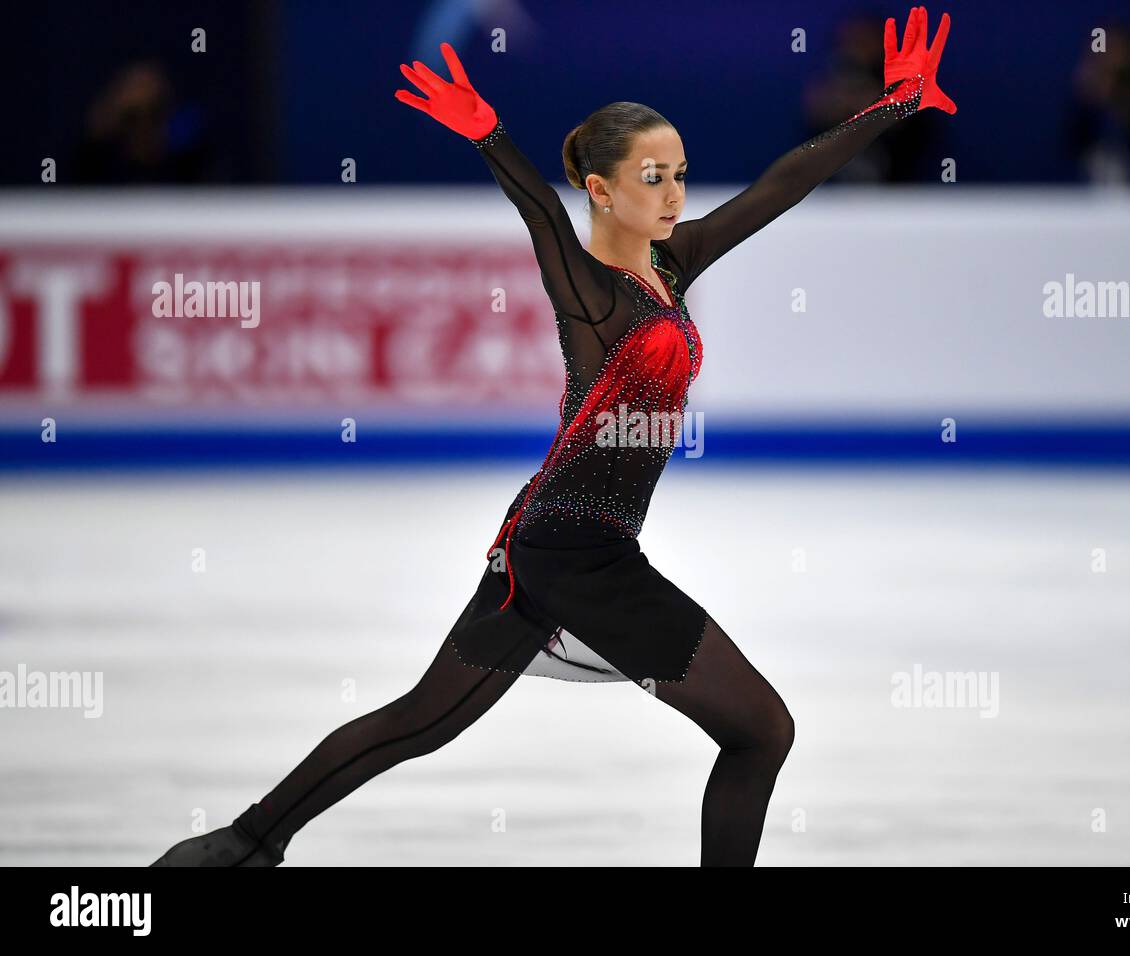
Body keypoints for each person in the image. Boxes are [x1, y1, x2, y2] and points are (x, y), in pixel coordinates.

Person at [150, 6, 955, 868]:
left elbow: (779, 186)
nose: (676, 195)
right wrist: (490, 134)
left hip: (558, 547)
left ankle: (238, 845)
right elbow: (538, 210)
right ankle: (242, 844)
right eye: (654, 178)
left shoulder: (670, 264)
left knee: (422, 720)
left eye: (679, 174)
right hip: (581, 560)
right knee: (762, 731)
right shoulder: (592, 292)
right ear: (603, 189)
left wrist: (894, 105)